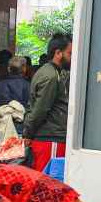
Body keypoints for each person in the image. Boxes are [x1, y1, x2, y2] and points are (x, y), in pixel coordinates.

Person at [23, 34, 71, 172]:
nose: (72, 57)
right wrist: (27, 134)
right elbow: (40, 110)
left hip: (49, 137)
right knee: (48, 184)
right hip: (50, 139)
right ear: (58, 53)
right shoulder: (51, 76)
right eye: (70, 53)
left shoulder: (53, 72)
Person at [0, 56, 31, 158]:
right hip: (20, 129)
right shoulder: (29, 87)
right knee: (16, 162)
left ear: (8, 69)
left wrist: (2, 113)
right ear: (24, 69)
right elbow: (32, 111)